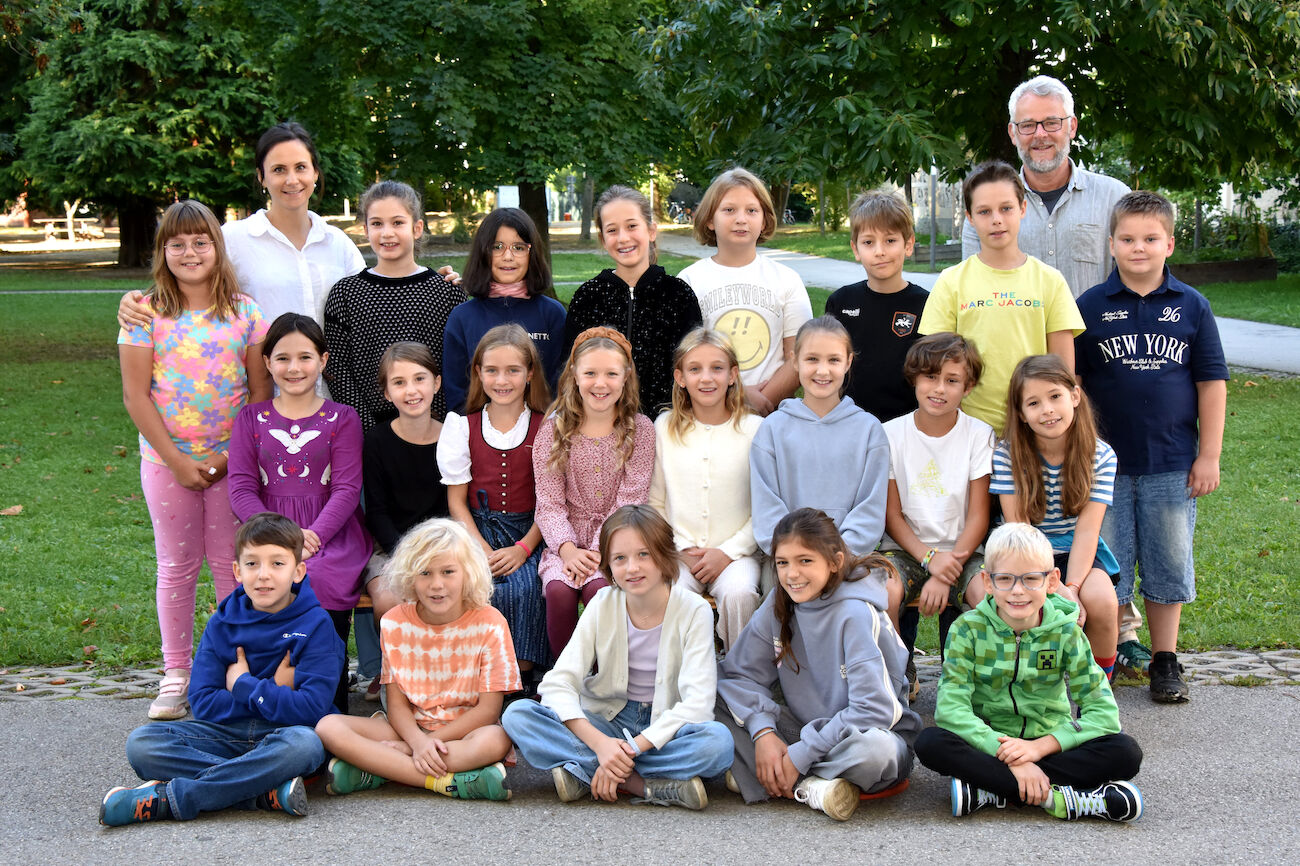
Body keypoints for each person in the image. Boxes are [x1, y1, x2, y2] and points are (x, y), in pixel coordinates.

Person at [118, 199, 272, 720]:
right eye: (177, 243)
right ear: (163, 251)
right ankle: (176, 673)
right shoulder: (145, 313)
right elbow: (136, 396)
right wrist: (178, 462)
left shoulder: (244, 313)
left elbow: (258, 391)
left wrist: (232, 457)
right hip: (167, 465)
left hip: (233, 464)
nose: (189, 252)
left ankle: (235, 666)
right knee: (176, 568)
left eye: (200, 241)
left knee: (235, 567)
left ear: (217, 248)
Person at [1075, 190, 1229, 702]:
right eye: (1127, 239)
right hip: (1105, 466)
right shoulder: (1091, 307)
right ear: (1112, 244)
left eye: (1150, 239)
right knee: (1108, 566)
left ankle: (1166, 659)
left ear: (1169, 244)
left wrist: (1209, 455)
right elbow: (1073, 384)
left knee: (1167, 563)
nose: (1138, 248)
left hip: (1171, 461)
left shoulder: (1192, 306)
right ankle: (1105, 660)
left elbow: (1211, 383)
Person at [100, 513, 344, 826]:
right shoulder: (222, 624)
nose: (263, 575)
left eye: (277, 564)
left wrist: (243, 685)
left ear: (298, 571)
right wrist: (274, 690)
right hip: (225, 734)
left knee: (307, 746)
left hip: (285, 734)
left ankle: (177, 799)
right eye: (252, 564)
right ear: (237, 571)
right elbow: (202, 703)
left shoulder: (317, 625)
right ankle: (257, 790)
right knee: (143, 744)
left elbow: (311, 709)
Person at [502, 505, 733, 809]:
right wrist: (601, 744)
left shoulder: (694, 609)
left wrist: (630, 749)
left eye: (643, 555)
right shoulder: (602, 603)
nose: (632, 568)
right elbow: (559, 682)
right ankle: (643, 785)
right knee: (518, 715)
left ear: (664, 556)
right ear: (608, 565)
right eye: (620, 559)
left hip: (665, 725)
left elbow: (697, 703)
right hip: (607, 719)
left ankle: (587, 771)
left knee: (717, 744)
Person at [914, 522, 1144, 822]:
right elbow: (950, 709)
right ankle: (1061, 797)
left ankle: (994, 791)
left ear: (1052, 581)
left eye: (1031, 579)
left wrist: (1036, 750)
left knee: (1125, 752)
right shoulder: (967, 630)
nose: (1018, 591)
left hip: (1049, 744)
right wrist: (1012, 759)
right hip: (990, 744)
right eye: (1005, 579)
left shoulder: (1066, 632)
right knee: (930, 743)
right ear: (987, 581)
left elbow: (1103, 713)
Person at [717, 508, 920, 821]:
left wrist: (800, 755)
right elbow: (738, 676)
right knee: (712, 695)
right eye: (783, 563)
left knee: (879, 753)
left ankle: (781, 776)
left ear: (835, 561)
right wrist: (764, 734)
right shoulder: (778, 603)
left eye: (805, 561)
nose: (792, 574)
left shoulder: (856, 613)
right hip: (801, 729)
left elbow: (875, 711)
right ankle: (815, 785)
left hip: (862, 735)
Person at [227, 313, 371, 713]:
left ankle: (330, 707)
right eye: (283, 358)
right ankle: (275, 702)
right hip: (267, 532)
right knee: (271, 573)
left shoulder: (341, 418)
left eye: (305, 357)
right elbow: (240, 487)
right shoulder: (250, 419)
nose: (294, 368)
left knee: (319, 579)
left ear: (323, 361)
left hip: (331, 533)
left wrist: (314, 536)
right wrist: (280, 538)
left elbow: (345, 489)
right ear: (267, 362)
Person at [314, 519, 517, 800]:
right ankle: (447, 782)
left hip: (465, 731)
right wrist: (416, 740)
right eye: (425, 573)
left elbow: (488, 711)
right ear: (410, 576)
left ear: (468, 574)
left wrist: (421, 746)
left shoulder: (491, 622)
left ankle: (378, 768)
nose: (436, 584)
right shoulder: (394, 622)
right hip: (407, 728)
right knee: (328, 727)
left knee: (496, 740)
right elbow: (396, 706)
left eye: (448, 572)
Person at [118, 122, 366, 333]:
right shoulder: (233, 239)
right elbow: (185, 284)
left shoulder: (338, 243)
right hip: (261, 387)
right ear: (262, 177)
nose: (292, 180)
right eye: (278, 170)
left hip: (332, 388)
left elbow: (369, 303)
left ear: (315, 174)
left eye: (301, 167)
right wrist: (137, 302)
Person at [919, 160, 1084, 436]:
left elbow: (1062, 371)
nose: (996, 219)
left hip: (1035, 429)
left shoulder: (1050, 280)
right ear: (970, 217)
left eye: (1006, 208)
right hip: (968, 431)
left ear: (1022, 209)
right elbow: (936, 365)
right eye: (984, 211)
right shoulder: (951, 281)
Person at [438, 325, 553, 694]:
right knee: (478, 585)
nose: (502, 380)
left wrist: (524, 548)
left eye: (513, 370)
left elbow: (551, 501)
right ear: (478, 373)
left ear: (530, 373)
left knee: (525, 587)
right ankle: (475, 675)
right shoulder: (461, 425)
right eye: (492, 371)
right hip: (476, 531)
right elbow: (457, 501)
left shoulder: (547, 426)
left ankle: (521, 673)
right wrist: (482, 550)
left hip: (532, 531)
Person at [991, 355, 1120, 677]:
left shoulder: (1100, 456)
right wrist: (1049, 583)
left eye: (1055, 397)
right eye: (1033, 403)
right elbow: (1019, 529)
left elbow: (1088, 532)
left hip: (1078, 552)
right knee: (1027, 603)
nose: (1047, 409)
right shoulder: (1007, 454)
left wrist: (1072, 588)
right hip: (1023, 552)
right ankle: (1024, 682)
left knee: (1102, 601)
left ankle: (1099, 687)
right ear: (1021, 414)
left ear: (1075, 396)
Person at [881, 333, 995, 696]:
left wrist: (947, 572)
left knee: (989, 597)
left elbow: (979, 516)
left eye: (952, 380)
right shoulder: (890, 434)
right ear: (914, 378)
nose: (939, 389)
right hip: (907, 549)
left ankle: (970, 679)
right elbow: (892, 515)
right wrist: (929, 559)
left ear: (969, 386)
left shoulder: (979, 435)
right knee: (882, 593)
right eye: (930, 377)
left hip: (965, 550)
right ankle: (899, 672)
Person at [533, 327, 655, 656]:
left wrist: (600, 549)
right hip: (566, 541)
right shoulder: (554, 429)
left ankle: (603, 679)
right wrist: (569, 549)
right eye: (590, 373)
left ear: (626, 376)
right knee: (558, 592)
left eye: (611, 374)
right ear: (574, 374)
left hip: (617, 540)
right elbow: (548, 504)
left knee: (600, 589)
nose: (600, 384)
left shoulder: (639, 429)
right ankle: (562, 679)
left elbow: (630, 499)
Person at [961, 75, 1130, 299]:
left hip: (1096, 335)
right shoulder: (985, 209)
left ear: (1072, 127)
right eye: (1028, 125)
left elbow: (1136, 284)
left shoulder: (1114, 198)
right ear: (1013, 133)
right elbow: (973, 290)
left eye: (1051, 123)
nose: (1040, 135)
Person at [648, 328, 763, 649]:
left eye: (717, 368)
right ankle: (681, 676)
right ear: (680, 377)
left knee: (739, 594)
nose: (706, 378)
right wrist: (678, 548)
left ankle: (743, 677)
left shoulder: (755, 430)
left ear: (733, 375)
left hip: (738, 554)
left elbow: (765, 506)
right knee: (672, 595)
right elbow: (656, 502)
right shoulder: (665, 428)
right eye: (695, 369)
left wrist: (727, 552)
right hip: (680, 552)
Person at [323, 180, 466, 429]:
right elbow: (339, 372)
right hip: (372, 433)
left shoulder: (447, 292)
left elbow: (457, 368)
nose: (387, 233)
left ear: (417, 228)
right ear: (365, 230)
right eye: (377, 223)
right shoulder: (345, 294)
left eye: (398, 222)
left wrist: (437, 426)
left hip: (437, 430)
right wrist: (370, 431)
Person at [749, 316, 889, 557]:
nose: (822, 370)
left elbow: (870, 507)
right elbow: (766, 507)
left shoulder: (869, 431)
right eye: (812, 359)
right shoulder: (772, 429)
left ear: (848, 362)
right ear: (794, 361)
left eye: (833, 360)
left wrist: (838, 556)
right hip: (787, 561)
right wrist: (800, 557)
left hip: (847, 559)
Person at [679, 168, 814, 416]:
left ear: (764, 220)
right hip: (708, 414)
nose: (741, 219)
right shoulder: (688, 281)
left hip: (771, 414)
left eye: (751, 210)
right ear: (709, 219)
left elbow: (800, 356)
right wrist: (735, 396)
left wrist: (762, 401)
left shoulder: (787, 280)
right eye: (729, 210)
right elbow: (684, 359)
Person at [358, 342, 449, 699]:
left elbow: (456, 507)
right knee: (387, 600)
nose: (411, 390)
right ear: (386, 392)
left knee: (452, 593)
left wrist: (434, 558)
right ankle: (396, 674)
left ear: (436, 383)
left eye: (420, 379)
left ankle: (444, 673)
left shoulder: (453, 437)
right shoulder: (376, 442)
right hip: (391, 547)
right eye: (399, 382)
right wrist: (408, 559)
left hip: (444, 546)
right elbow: (376, 511)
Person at [563, 184, 702, 416]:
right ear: (602, 238)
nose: (623, 238)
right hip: (600, 429)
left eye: (631, 226)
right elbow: (570, 368)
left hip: (669, 427)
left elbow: (695, 365)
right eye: (612, 230)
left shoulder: (678, 295)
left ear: (651, 230)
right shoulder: (588, 297)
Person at [442, 208, 567, 413]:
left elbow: (559, 388)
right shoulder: (462, 317)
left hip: (542, 435)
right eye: (497, 247)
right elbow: (456, 393)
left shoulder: (552, 314)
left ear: (532, 253)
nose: (508, 256)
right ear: (483, 252)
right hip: (478, 437)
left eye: (518, 247)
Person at [825, 189, 930, 423]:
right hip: (848, 423)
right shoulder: (840, 302)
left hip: (906, 427)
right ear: (856, 249)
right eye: (868, 242)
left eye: (890, 240)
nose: (880, 251)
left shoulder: (926, 304)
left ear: (909, 244)